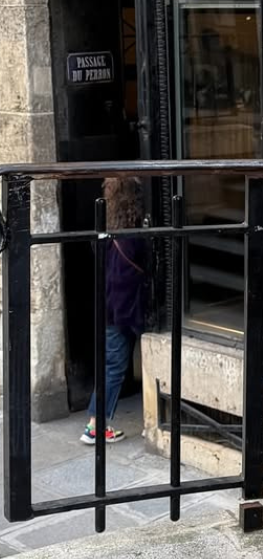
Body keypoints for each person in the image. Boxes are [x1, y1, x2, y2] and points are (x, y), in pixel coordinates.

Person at [80, 176, 147, 445]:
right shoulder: (128, 239)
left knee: (110, 365)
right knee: (114, 368)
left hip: (107, 310)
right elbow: (121, 284)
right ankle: (96, 426)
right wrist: (130, 322)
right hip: (118, 316)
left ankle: (96, 423)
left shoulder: (106, 233)